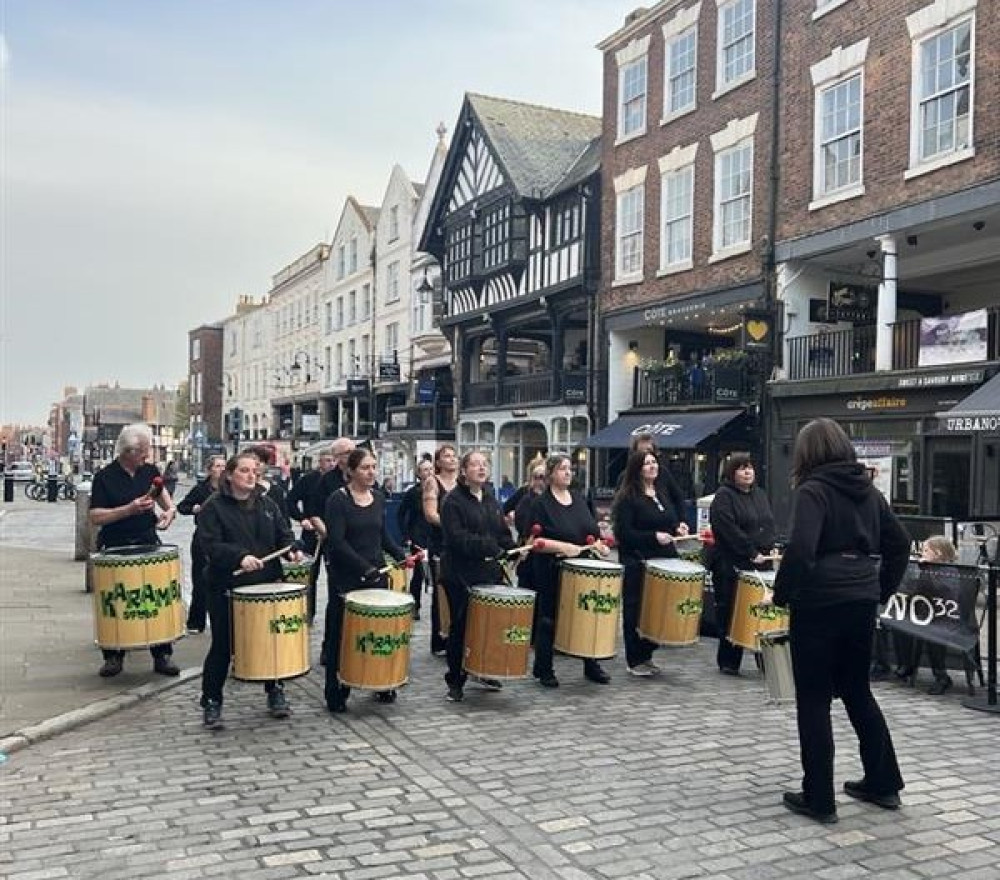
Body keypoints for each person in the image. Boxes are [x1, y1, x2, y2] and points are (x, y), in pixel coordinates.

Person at [773, 418, 911, 823]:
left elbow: (800, 548)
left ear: (807, 453)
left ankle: (819, 797)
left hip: (819, 602)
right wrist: (880, 591)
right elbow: (899, 542)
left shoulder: (812, 490)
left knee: (814, 699)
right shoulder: (868, 490)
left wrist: (783, 594)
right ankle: (883, 783)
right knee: (857, 690)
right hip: (861, 598)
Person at [197, 452, 305, 729]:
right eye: (244, 470)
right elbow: (209, 545)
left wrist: (291, 551)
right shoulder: (214, 507)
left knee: (270, 641)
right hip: (227, 586)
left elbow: (284, 535)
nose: (251, 475)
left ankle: (275, 690)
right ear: (229, 475)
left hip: (266, 583)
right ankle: (211, 700)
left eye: (254, 471)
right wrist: (239, 557)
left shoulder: (267, 504)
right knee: (223, 645)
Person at [88, 423, 179, 678]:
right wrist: (128, 509)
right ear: (129, 451)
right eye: (143, 451)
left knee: (154, 597)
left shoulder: (149, 471)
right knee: (116, 600)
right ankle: (113, 655)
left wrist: (168, 512)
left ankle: (162, 653)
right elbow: (95, 516)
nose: (147, 456)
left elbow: (161, 495)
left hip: (147, 539)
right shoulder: (105, 477)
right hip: (116, 544)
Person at [323, 447, 406, 713]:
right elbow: (337, 541)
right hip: (346, 576)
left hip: (376, 574)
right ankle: (337, 688)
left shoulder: (379, 498)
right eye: (365, 468)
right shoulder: (338, 500)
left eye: (373, 467)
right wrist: (363, 567)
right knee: (343, 633)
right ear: (351, 471)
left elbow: (381, 535)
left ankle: (380, 681)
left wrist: (399, 553)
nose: (371, 472)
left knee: (376, 630)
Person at [527, 454, 613, 688]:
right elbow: (536, 541)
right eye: (562, 469)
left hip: (581, 568)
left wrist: (599, 544)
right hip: (551, 568)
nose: (568, 472)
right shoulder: (541, 504)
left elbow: (592, 531)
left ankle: (590, 663)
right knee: (549, 618)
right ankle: (544, 667)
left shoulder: (579, 499)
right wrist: (563, 547)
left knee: (587, 616)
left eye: (570, 469)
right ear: (551, 474)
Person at [440, 451, 516, 702]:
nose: (481, 468)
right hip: (459, 574)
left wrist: (513, 549)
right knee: (461, 627)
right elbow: (458, 538)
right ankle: (455, 679)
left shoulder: (491, 500)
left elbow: (502, 534)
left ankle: (482, 668)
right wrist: (491, 547)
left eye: (485, 464)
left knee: (487, 627)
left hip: (487, 573)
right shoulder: (453, 501)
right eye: (475, 464)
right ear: (464, 471)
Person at [611, 449, 690, 677]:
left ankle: (648, 654)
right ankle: (635, 658)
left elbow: (670, 518)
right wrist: (653, 536)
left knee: (658, 608)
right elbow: (624, 533)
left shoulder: (660, 491)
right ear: (637, 468)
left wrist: (678, 527)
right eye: (647, 464)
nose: (653, 467)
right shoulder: (628, 497)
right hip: (638, 559)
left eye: (654, 462)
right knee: (635, 608)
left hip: (663, 558)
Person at [707, 453, 776, 675]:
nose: (748, 472)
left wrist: (771, 546)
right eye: (741, 468)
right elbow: (728, 529)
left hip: (760, 561)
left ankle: (765, 658)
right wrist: (750, 551)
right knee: (731, 610)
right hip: (731, 563)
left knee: (762, 611)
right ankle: (729, 661)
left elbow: (767, 523)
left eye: (750, 468)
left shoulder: (760, 495)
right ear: (731, 473)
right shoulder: (724, 497)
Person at [895, 536, 960, 695]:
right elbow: (914, 591)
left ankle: (941, 676)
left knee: (932, 633)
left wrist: (927, 571)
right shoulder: (925, 569)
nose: (921, 553)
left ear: (938, 553)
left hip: (945, 617)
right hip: (925, 614)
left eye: (925, 550)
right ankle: (906, 664)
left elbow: (945, 592)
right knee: (899, 624)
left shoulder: (951, 571)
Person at [176, 454, 226, 633]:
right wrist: (194, 509)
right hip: (203, 537)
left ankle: (221, 619)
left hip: (224, 537)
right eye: (217, 466)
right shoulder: (200, 489)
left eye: (223, 466)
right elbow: (181, 507)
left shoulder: (229, 488)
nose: (221, 469)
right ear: (210, 470)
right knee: (200, 578)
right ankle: (196, 621)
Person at [286, 447, 336, 622]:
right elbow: (290, 501)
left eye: (333, 460)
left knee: (335, 575)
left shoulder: (338, 481)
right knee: (309, 575)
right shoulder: (308, 480)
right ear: (319, 462)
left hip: (333, 534)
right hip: (311, 532)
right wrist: (302, 519)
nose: (331, 463)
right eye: (328, 460)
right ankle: (308, 613)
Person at [422, 444, 459, 656]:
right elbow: (430, 514)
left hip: (458, 542)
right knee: (441, 590)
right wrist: (452, 526)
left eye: (454, 456)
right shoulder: (432, 482)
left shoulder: (462, 483)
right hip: (440, 541)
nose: (452, 459)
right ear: (438, 462)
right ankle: (439, 637)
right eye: (447, 456)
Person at [397, 458, 435, 619]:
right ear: (419, 474)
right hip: (418, 536)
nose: (428, 472)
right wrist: (406, 536)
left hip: (435, 536)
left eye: (430, 469)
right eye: (424, 470)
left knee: (437, 573)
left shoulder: (437, 490)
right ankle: (415, 605)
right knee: (419, 575)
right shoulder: (413, 493)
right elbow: (400, 514)